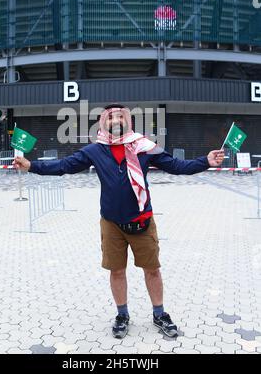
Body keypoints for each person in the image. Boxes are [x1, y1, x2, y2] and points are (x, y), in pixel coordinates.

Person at [13, 104, 225, 340]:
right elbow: (64, 166)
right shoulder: (95, 150)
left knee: (152, 270)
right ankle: (122, 315)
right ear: (103, 122)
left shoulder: (145, 147)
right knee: (116, 271)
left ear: (128, 120)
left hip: (142, 220)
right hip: (111, 223)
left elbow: (177, 166)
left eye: (120, 116)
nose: (115, 120)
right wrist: (31, 166)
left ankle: (159, 314)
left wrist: (205, 161)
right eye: (110, 117)